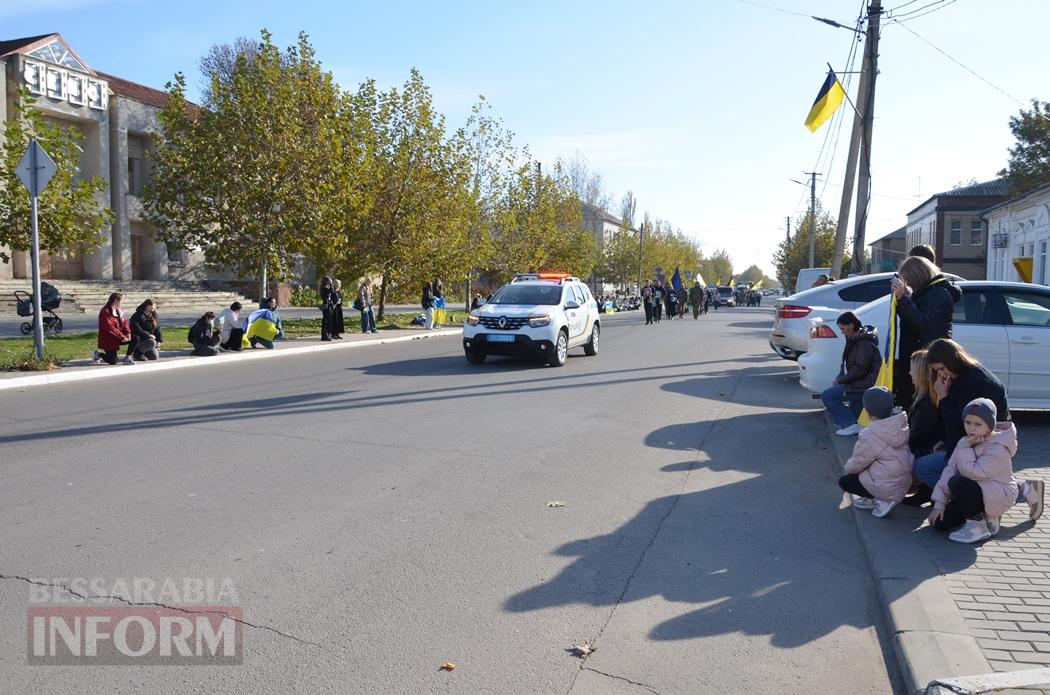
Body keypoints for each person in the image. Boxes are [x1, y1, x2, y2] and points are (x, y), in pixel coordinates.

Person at [910, 339, 1043, 519]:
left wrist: (943, 396)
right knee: (930, 468)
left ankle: (1017, 493)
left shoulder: (975, 382)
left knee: (936, 472)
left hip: (986, 445)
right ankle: (973, 501)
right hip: (974, 442)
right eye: (937, 370)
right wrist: (941, 439)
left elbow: (960, 423)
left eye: (942, 368)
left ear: (952, 360)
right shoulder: (963, 375)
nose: (941, 374)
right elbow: (953, 423)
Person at [928, 398, 1019, 542]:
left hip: (999, 494)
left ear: (989, 426)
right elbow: (950, 470)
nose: (971, 428)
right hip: (977, 492)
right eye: (968, 422)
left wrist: (964, 448)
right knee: (939, 523)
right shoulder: (966, 441)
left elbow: (974, 473)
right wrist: (939, 503)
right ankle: (983, 515)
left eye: (978, 424)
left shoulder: (998, 448)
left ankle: (977, 526)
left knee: (958, 483)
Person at [891, 255, 961, 408]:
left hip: (927, 358)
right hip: (920, 355)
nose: (908, 284)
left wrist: (903, 298)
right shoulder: (926, 293)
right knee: (913, 401)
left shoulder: (938, 294)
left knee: (923, 402)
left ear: (916, 276)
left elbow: (922, 324)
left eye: (908, 280)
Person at [838, 386, 914, 518]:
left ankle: (881, 500)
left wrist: (847, 469)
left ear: (867, 409)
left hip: (887, 486)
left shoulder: (870, 434)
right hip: (903, 481)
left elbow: (858, 462)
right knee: (879, 462)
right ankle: (877, 497)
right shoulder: (899, 425)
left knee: (846, 481)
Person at [822, 311, 881, 435]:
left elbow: (860, 368)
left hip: (863, 385)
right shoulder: (856, 339)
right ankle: (853, 424)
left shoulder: (863, 343)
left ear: (852, 325)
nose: (842, 332)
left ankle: (850, 424)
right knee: (854, 406)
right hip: (862, 383)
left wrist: (840, 380)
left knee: (828, 395)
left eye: (843, 328)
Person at [907, 349, 939, 458]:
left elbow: (915, 439)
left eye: (912, 369)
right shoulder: (927, 398)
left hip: (921, 454)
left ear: (920, 373)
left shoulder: (926, 403)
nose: (909, 373)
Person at [93, 293, 131, 366]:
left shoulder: (119, 310)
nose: (123, 302)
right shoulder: (105, 311)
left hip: (118, 337)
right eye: (121, 300)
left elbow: (124, 322)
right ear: (116, 300)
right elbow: (110, 328)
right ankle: (98, 353)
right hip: (109, 339)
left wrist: (128, 333)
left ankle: (129, 356)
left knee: (135, 338)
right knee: (113, 361)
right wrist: (122, 337)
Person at [320, 276, 336, 341]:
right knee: (326, 320)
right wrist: (331, 285)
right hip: (326, 304)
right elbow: (330, 292)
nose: (330, 282)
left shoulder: (327, 287)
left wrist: (331, 285)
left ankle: (328, 334)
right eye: (329, 281)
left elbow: (332, 292)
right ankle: (324, 335)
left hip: (329, 304)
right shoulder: (323, 287)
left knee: (329, 320)